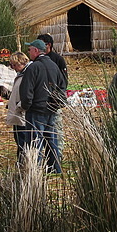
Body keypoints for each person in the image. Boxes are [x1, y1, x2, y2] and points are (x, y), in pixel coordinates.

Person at [20, 39, 67, 173]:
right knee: (52, 141)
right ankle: (55, 168)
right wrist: (56, 103)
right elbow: (62, 86)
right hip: (51, 109)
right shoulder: (54, 66)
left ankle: (34, 170)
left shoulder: (33, 67)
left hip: (36, 110)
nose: (28, 52)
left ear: (36, 50)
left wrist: (26, 106)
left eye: (30, 49)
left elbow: (26, 90)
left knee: (35, 141)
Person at [6, 51, 31, 163]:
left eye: (14, 65)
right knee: (19, 138)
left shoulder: (27, 75)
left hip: (22, 114)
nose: (13, 67)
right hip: (18, 113)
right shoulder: (21, 75)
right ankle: (21, 161)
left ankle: (24, 162)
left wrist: (19, 107)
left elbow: (29, 95)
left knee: (23, 140)